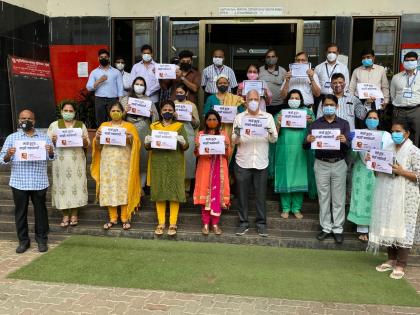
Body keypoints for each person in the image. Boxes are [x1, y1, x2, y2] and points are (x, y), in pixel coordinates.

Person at [370, 119, 420, 280]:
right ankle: (391, 259)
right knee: (388, 223)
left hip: (407, 196)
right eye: (393, 131)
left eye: (398, 131)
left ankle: (401, 263)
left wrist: (402, 171)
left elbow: (418, 175)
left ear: (407, 133)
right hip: (387, 193)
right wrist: (373, 164)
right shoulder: (386, 149)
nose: (395, 134)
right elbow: (379, 173)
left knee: (404, 228)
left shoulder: (414, 151)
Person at [0, 110, 55, 253]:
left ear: (34, 121)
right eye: (23, 118)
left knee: (41, 213)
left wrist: (50, 151)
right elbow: (2, 160)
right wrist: (8, 154)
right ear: (19, 120)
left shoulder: (44, 138)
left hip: (39, 181)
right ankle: (23, 242)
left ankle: (42, 240)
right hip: (19, 182)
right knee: (20, 213)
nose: (26, 120)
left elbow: (53, 157)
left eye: (29, 118)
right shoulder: (12, 138)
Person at [304, 94, 350, 244]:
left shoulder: (344, 124)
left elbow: (349, 145)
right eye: (326, 105)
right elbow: (305, 146)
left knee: (338, 198)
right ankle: (326, 228)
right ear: (322, 106)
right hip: (321, 163)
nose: (328, 107)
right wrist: (307, 140)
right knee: (323, 197)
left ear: (337, 107)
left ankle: (338, 229)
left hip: (339, 163)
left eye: (331, 104)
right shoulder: (316, 124)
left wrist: (345, 140)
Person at [232, 90, 278, 237]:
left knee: (260, 195)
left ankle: (261, 224)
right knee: (242, 194)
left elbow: (274, 139)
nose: (253, 101)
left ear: (260, 101)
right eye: (250, 99)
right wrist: (238, 134)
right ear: (246, 101)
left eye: (255, 99)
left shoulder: (268, 117)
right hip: (242, 160)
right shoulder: (240, 117)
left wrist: (270, 131)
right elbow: (234, 140)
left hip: (261, 161)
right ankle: (243, 223)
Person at [91, 103, 141, 230]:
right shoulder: (104, 126)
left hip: (124, 164)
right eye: (113, 110)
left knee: (123, 188)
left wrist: (131, 138)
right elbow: (98, 146)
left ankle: (125, 218)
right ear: (109, 112)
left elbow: (137, 144)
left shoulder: (130, 126)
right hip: (107, 164)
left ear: (123, 112)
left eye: (118, 110)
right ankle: (112, 218)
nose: (115, 112)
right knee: (109, 189)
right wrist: (97, 138)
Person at [144, 100, 189, 236]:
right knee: (160, 192)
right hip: (158, 163)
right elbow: (147, 147)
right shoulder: (153, 126)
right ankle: (161, 223)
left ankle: (173, 223)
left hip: (175, 163)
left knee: (174, 193)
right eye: (165, 110)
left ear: (174, 112)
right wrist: (147, 142)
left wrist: (182, 141)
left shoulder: (180, 126)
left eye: (170, 110)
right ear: (160, 112)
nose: (167, 112)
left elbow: (186, 146)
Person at [347, 110, 393, 242]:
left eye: (375, 118)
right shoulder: (358, 134)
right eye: (370, 117)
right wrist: (355, 147)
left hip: (378, 172)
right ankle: (362, 230)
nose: (372, 120)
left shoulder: (386, 135)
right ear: (365, 119)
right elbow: (352, 156)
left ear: (379, 120)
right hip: (361, 171)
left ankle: (375, 230)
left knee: (377, 199)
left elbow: (389, 154)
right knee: (361, 198)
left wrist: (375, 158)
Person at [47, 101, 90, 227]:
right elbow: (47, 145)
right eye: (66, 110)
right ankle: (65, 214)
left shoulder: (80, 125)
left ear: (75, 113)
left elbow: (88, 143)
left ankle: (75, 214)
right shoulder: (54, 125)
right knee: (62, 187)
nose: (68, 113)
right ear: (61, 112)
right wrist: (53, 141)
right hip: (60, 161)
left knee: (76, 185)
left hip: (76, 161)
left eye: (71, 111)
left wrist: (83, 140)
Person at [274, 90, 315, 219]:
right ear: (288, 100)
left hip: (301, 151)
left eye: (297, 98)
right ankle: (286, 208)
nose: (294, 100)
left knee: (300, 176)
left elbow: (317, 131)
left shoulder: (308, 113)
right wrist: (279, 123)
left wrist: (310, 122)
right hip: (285, 151)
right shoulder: (281, 114)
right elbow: (274, 133)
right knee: (285, 177)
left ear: (301, 100)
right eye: (292, 97)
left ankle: (296, 208)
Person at [193, 110, 232, 235]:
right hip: (204, 167)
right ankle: (205, 224)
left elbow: (228, 154)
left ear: (219, 121)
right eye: (209, 119)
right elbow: (197, 154)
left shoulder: (223, 135)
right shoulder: (200, 135)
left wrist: (226, 147)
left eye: (214, 119)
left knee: (217, 194)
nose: (212, 122)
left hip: (219, 167)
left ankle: (215, 224)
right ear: (205, 121)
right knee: (205, 196)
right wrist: (198, 147)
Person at [120, 76, 159, 195]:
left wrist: (152, 114)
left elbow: (156, 119)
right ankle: (129, 185)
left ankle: (141, 186)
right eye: (137, 84)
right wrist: (125, 111)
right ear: (133, 85)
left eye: (142, 85)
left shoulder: (149, 100)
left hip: (144, 131)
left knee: (143, 158)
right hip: (128, 131)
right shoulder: (125, 99)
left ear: (145, 87)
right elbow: (116, 118)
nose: (139, 86)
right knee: (129, 157)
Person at [203, 74, 245, 148]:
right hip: (214, 130)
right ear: (216, 85)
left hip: (231, 130)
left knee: (229, 149)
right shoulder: (210, 98)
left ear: (228, 84)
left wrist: (235, 114)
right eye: (220, 83)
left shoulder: (235, 98)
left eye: (225, 83)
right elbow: (205, 115)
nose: (223, 84)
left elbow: (243, 114)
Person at [173, 84, 200, 194]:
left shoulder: (192, 106)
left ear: (187, 93)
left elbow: (197, 123)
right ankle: (175, 187)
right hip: (174, 134)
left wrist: (192, 118)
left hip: (188, 134)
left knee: (188, 161)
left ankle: (186, 189)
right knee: (175, 160)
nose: (179, 94)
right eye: (177, 92)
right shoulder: (173, 104)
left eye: (181, 92)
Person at [86, 48, 123, 126]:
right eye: (101, 57)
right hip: (99, 99)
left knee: (114, 119)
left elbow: (120, 88)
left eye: (105, 57)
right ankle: (101, 136)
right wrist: (99, 80)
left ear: (109, 58)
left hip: (113, 99)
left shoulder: (116, 72)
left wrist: (119, 100)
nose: (103, 59)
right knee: (100, 121)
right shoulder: (94, 72)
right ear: (98, 59)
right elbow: (89, 87)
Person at [390, 51, 420, 147]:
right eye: (407, 60)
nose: (409, 62)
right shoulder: (396, 77)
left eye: (412, 60)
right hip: (399, 111)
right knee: (398, 134)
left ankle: (413, 158)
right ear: (403, 62)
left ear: (417, 61)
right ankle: (398, 156)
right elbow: (393, 95)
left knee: (416, 136)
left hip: (415, 110)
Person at [259, 49, 287, 116]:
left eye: (273, 56)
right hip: (264, 105)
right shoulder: (260, 70)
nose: (270, 58)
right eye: (268, 57)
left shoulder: (283, 71)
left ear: (277, 58)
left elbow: (286, 86)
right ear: (265, 59)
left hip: (279, 105)